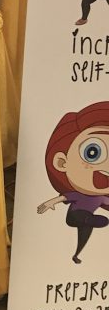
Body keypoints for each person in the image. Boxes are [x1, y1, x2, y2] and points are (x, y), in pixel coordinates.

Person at [37, 102, 109, 264]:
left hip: (87, 218)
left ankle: (77, 254)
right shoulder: (78, 195)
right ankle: (89, 221)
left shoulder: (101, 199)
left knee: (85, 234)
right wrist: (49, 202)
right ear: (62, 162)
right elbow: (63, 198)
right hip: (74, 216)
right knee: (84, 219)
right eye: (92, 152)